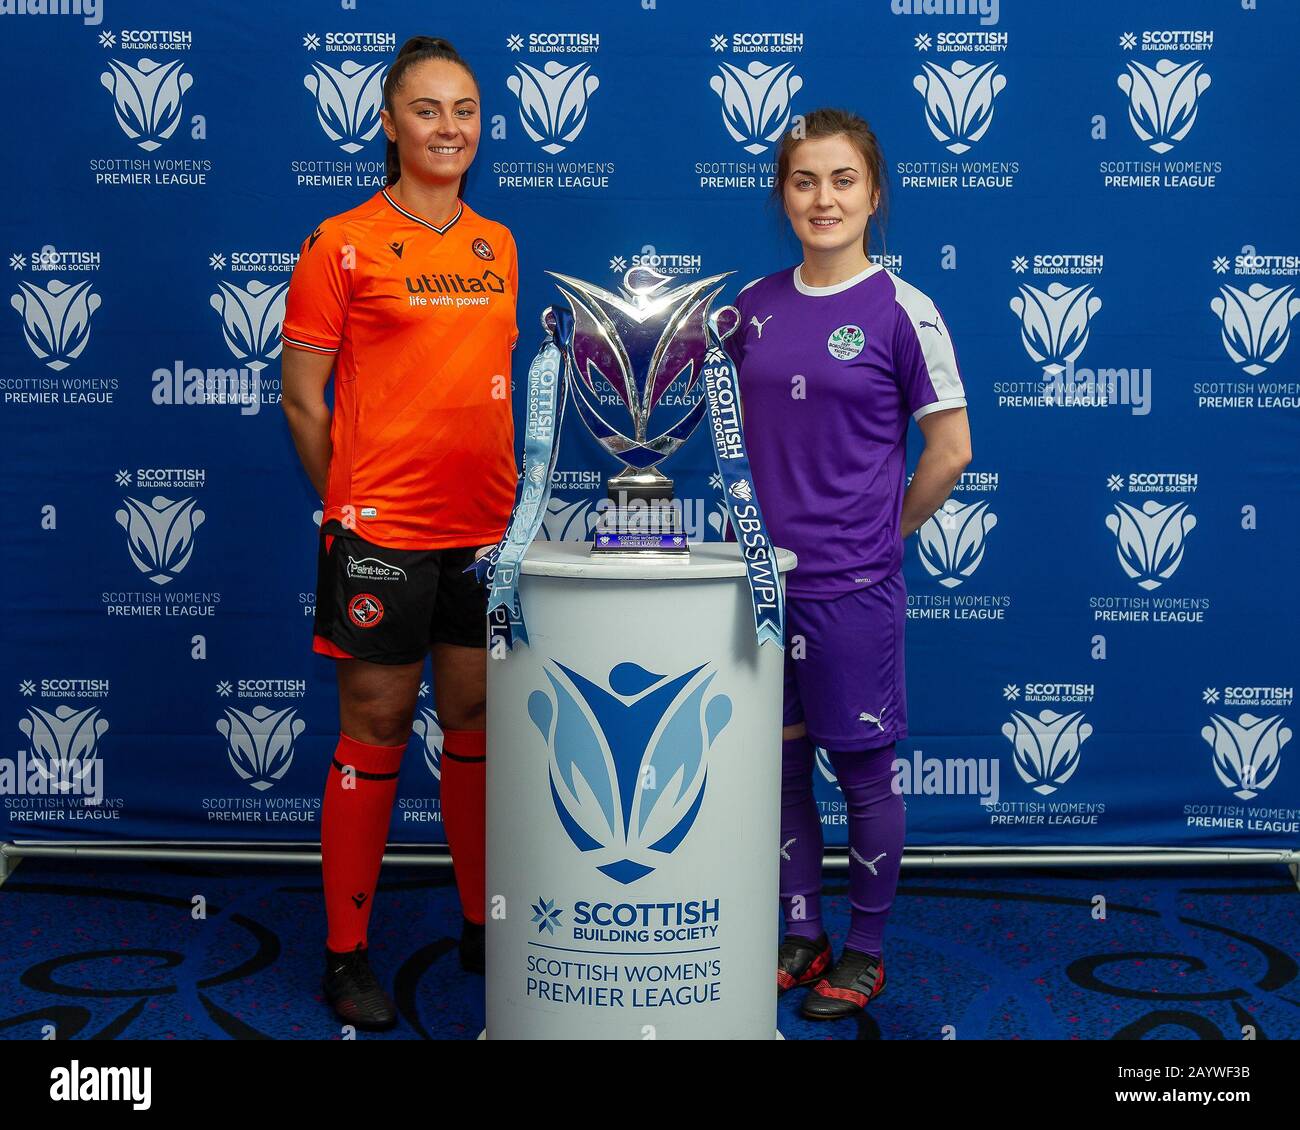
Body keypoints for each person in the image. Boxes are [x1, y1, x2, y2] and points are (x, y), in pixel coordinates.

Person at [280, 36, 519, 1030]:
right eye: (428, 109)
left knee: (473, 724)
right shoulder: (339, 240)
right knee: (374, 729)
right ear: (387, 123)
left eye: (464, 110)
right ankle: (345, 954)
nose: (449, 128)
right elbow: (302, 399)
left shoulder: (497, 243)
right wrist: (352, 507)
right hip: (380, 532)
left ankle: (478, 922)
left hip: (484, 533)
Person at [727, 108, 971, 1020]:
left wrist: (881, 533)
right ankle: (802, 930)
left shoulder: (903, 309)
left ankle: (865, 950)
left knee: (862, 772)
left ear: (874, 195)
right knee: (782, 771)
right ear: (781, 195)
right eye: (803, 181)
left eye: (841, 181)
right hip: (755, 590)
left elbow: (950, 448)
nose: (822, 198)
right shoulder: (747, 310)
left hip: (849, 592)